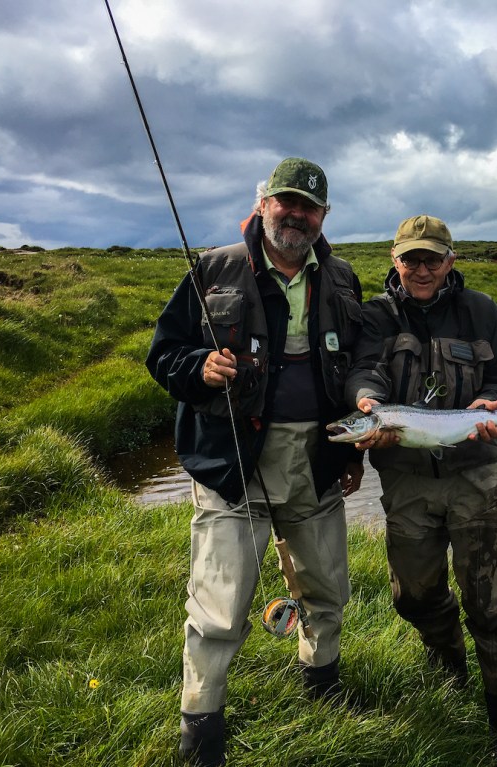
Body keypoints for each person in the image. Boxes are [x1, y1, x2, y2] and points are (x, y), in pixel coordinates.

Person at [146, 157, 364, 767]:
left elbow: (354, 370)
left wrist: (353, 455)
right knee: (219, 607)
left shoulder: (343, 279)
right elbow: (163, 354)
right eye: (286, 202)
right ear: (263, 203)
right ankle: (200, 731)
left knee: (327, 589)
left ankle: (322, 687)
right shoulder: (212, 269)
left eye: (309, 207)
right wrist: (199, 368)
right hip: (232, 465)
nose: (297, 215)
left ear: (324, 216)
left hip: (316, 463)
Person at [345, 215, 497, 766]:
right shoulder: (376, 316)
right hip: (406, 482)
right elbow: (362, 371)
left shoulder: (484, 312)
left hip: (475, 476)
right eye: (412, 259)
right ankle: (450, 676)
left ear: (450, 260)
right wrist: (367, 403)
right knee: (414, 597)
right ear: (395, 260)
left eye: (432, 259)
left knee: (487, 607)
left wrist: (494, 403)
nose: (421, 269)